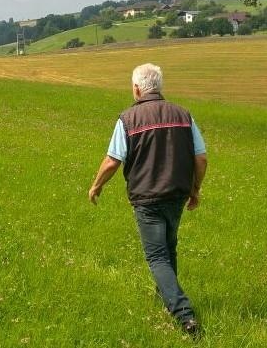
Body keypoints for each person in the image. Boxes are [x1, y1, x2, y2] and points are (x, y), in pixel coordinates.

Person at [88, 63, 207, 335]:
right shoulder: (184, 115)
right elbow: (201, 158)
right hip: (177, 194)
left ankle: (184, 315)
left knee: (157, 257)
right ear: (159, 87)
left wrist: (95, 186)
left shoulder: (128, 119)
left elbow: (112, 160)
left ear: (137, 88)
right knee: (169, 248)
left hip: (147, 199)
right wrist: (195, 189)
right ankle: (166, 299)